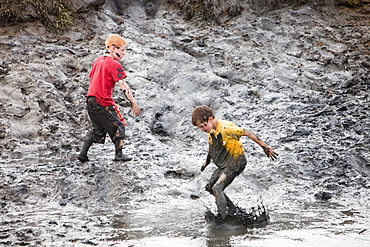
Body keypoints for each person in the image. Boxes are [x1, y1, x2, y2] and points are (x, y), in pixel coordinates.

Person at [191, 105, 277, 219]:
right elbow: (211, 147)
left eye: (203, 126)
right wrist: (207, 161)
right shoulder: (211, 130)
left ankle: (223, 218)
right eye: (200, 128)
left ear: (210, 119)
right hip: (224, 164)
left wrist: (265, 147)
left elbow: (247, 132)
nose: (202, 129)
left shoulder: (227, 128)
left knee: (217, 188)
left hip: (235, 163)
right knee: (210, 187)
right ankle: (231, 209)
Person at [78, 34, 141, 162]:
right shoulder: (114, 64)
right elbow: (123, 85)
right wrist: (133, 102)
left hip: (90, 99)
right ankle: (119, 155)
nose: (123, 54)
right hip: (103, 100)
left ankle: (82, 154)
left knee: (97, 129)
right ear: (113, 48)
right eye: (122, 50)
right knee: (119, 125)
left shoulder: (97, 60)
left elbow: (92, 79)